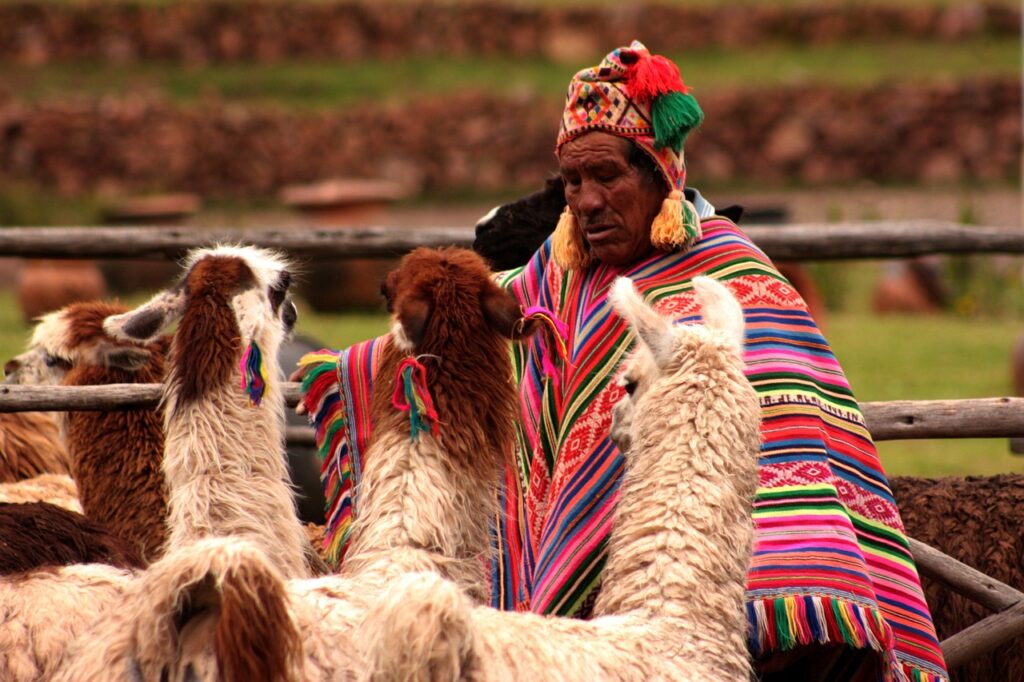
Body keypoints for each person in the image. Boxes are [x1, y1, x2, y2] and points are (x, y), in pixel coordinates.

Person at [298, 41, 948, 681]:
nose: (584, 200)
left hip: (718, 619)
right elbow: (470, 328)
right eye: (573, 182)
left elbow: (787, 453)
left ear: (660, 175)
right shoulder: (557, 275)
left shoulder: (737, 284)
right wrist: (350, 371)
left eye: (606, 176)